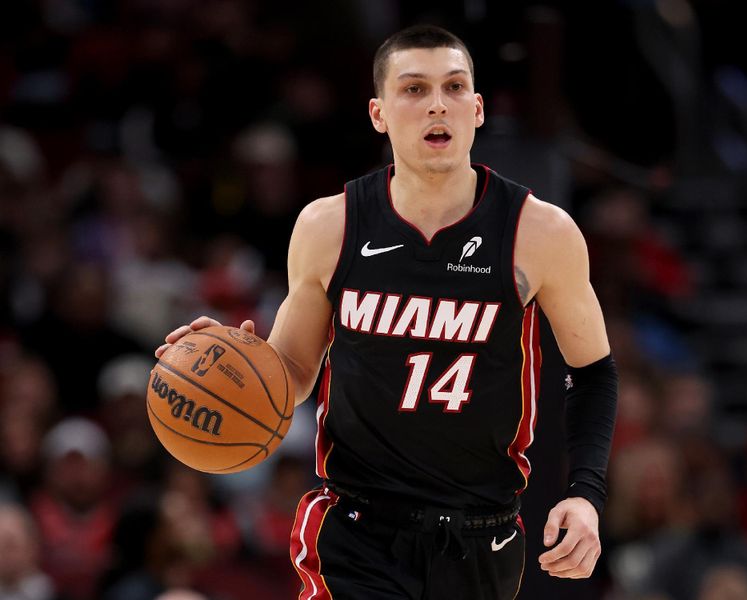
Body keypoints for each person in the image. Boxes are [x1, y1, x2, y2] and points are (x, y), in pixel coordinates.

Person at [156, 25, 617, 599]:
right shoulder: (330, 225)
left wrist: (586, 493)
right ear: (378, 113)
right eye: (414, 89)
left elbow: (592, 371)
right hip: (356, 528)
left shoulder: (540, 233)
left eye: (453, 88)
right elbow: (294, 373)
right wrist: (234, 363)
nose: (437, 105)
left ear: (477, 110)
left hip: (480, 533)